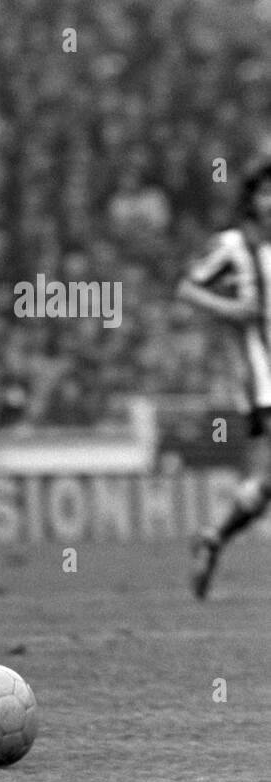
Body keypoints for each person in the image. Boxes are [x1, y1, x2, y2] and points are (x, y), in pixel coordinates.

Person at [180, 157, 271, 600]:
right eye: (265, 193)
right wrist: (233, 311)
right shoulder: (235, 246)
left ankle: (213, 536)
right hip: (264, 383)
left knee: (263, 488)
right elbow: (188, 287)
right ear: (252, 199)